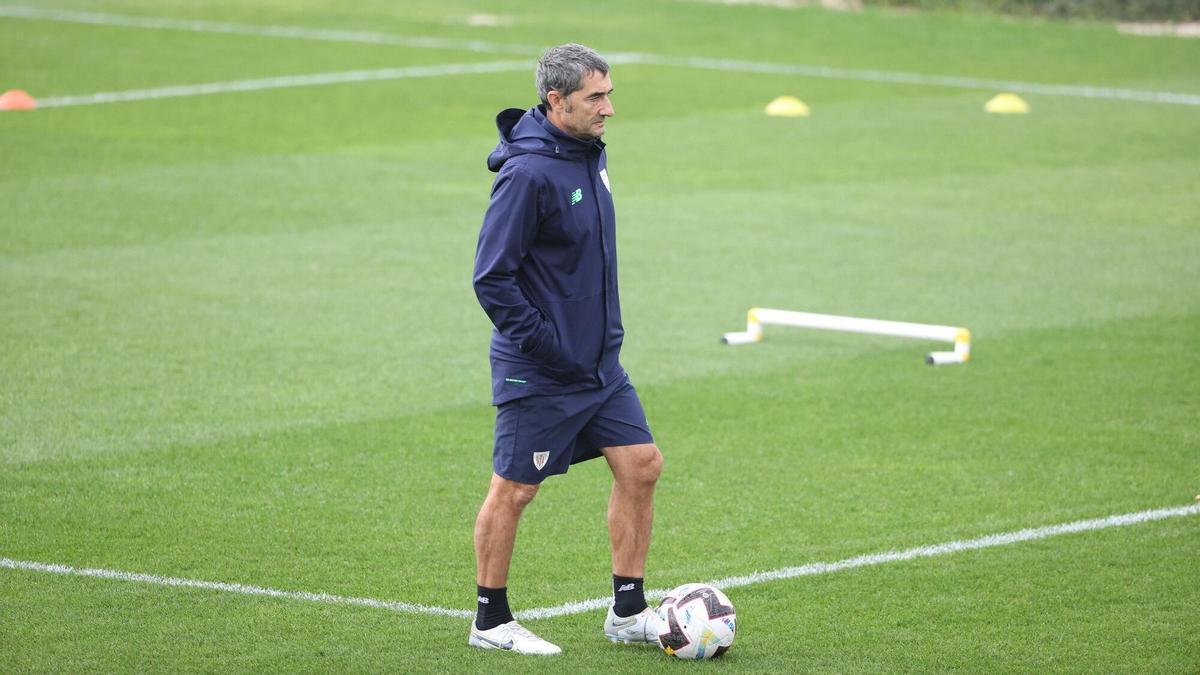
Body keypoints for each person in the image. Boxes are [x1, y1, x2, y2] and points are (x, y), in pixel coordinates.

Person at [469, 43, 664, 655]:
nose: (609, 108)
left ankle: (628, 614)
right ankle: (491, 621)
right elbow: (491, 278)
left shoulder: (586, 155)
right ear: (557, 100)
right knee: (515, 489)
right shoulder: (528, 175)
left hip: (599, 365)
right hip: (544, 368)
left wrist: (593, 346)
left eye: (609, 94)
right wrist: (551, 346)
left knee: (642, 465)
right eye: (595, 98)